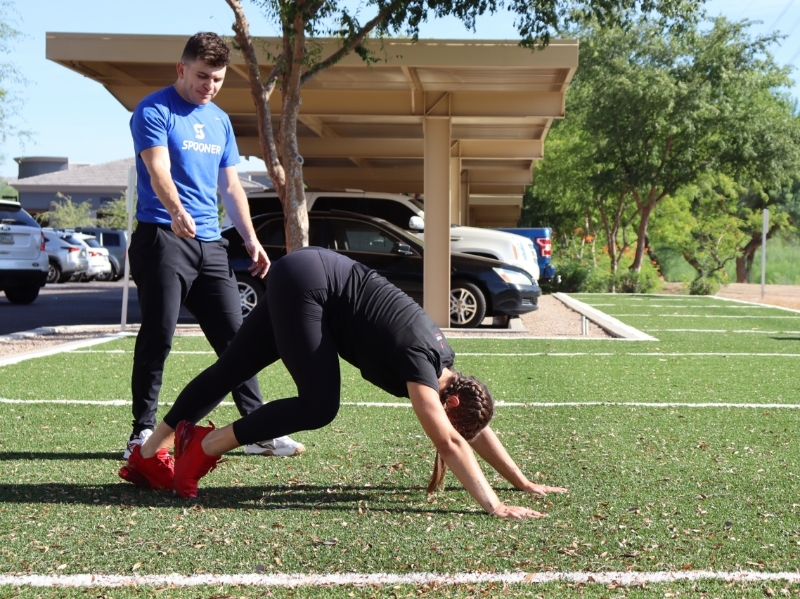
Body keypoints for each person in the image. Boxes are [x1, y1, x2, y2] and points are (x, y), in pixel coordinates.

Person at [120, 248, 567, 518]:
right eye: (456, 422)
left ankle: (146, 454)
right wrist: (496, 505)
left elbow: (473, 428)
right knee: (319, 405)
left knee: (230, 369)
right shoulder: (420, 363)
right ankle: (202, 447)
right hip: (310, 287)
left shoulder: (446, 365)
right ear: (451, 404)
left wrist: (522, 482)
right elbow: (452, 442)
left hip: (305, 271)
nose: (456, 433)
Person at [121, 31, 303, 464]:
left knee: (238, 340)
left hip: (211, 244)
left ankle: (256, 428)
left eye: (218, 79)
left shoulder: (219, 120)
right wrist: (176, 209)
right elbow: (158, 168)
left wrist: (250, 238)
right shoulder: (154, 109)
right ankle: (142, 429)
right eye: (203, 76)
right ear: (181, 69)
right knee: (158, 334)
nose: (210, 86)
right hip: (163, 238)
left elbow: (230, 185)